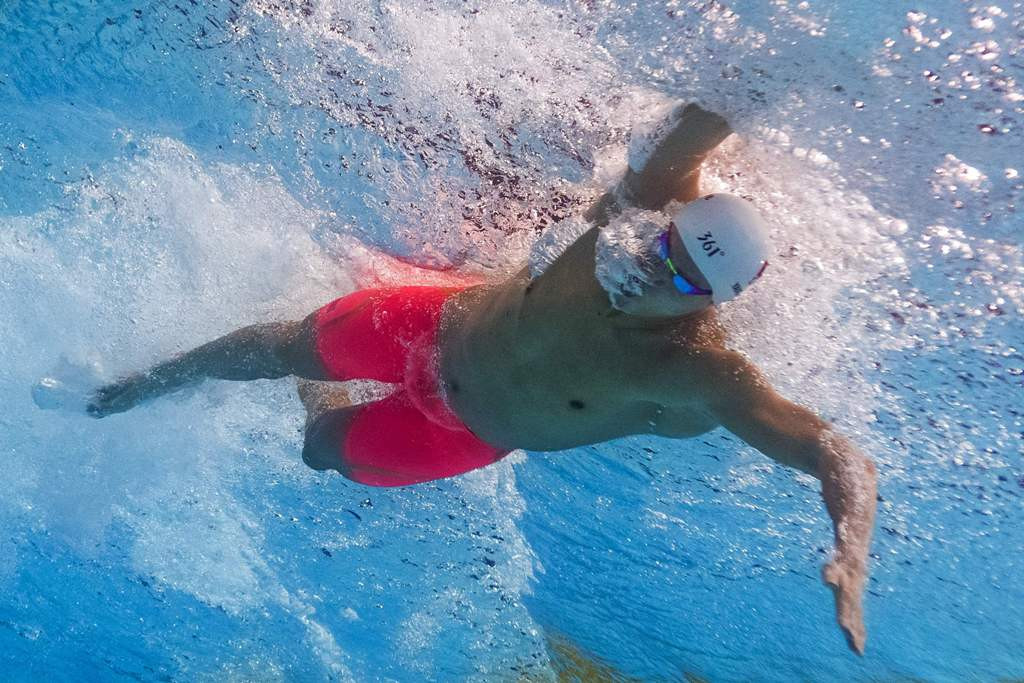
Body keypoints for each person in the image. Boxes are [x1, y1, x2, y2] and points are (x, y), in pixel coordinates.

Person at [85, 103, 878, 654]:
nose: (651, 267)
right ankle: (140, 381)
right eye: (663, 245)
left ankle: (318, 396)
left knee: (321, 449)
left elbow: (830, 449)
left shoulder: (699, 372)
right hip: (430, 330)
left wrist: (852, 546)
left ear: (707, 301)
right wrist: (776, 76)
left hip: (464, 432)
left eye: (679, 274)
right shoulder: (623, 222)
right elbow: (701, 122)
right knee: (292, 340)